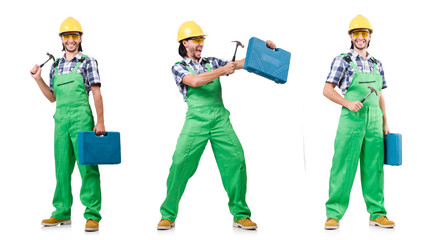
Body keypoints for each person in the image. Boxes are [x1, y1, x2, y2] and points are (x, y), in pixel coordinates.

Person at [158, 21, 276, 230]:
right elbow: (194, 81)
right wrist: (221, 71)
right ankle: (168, 214)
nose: (201, 43)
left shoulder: (211, 61)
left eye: (202, 39)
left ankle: (240, 214)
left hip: (220, 118)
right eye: (196, 39)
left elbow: (240, 63)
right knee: (179, 163)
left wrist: (265, 50)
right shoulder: (179, 67)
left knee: (236, 160)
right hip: (196, 120)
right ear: (185, 43)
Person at [30, 17, 105, 232]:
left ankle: (92, 214)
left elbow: (97, 93)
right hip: (61, 120)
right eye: (66, 36)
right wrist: (38, 79)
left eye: (74, 36)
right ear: (61, 39)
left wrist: (100, 121)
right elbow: (52, 97)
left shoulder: (88, 61)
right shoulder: (56, 65)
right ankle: (62, 212)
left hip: (82, 118)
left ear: (81, 38)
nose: (70, 40)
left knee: (87, 167)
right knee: (61, 167)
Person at [322, 14, 395, 230]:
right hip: (351, 121)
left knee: (375, 169)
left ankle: (377, 213)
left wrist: (385, 122)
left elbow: (380, 95)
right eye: (356, 33)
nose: (360, 37)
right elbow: (327, 90)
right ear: (351, 36)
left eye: (364, 33)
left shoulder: (377, 63)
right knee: (343, 167)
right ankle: (333, 214)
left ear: (370, 36)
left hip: (374, 123)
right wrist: (346, 102)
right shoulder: (343, 60)